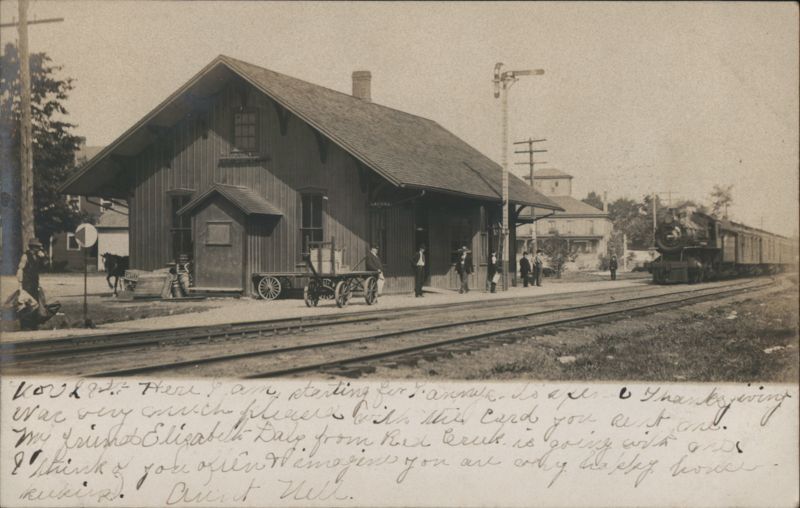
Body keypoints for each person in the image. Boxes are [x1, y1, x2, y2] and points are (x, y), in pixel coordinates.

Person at [15, 238, 59, 330]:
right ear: (32, 247)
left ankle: (33, 324)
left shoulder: (37, 257)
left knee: (35, 304)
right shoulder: (25, 256)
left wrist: (44, 258)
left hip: (34, 284)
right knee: (27, 305)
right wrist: (20, 284)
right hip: (27, 284)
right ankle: (26, 325)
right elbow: (20, 269)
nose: (39, 249)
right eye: (37, 247)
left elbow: (47, 267)